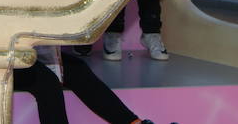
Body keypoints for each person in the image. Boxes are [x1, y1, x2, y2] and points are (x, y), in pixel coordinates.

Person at [14, 47, 158, 124]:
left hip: (26, 50)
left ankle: (132, 123)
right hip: (0, 55)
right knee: (46, 81)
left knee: (76, 68)